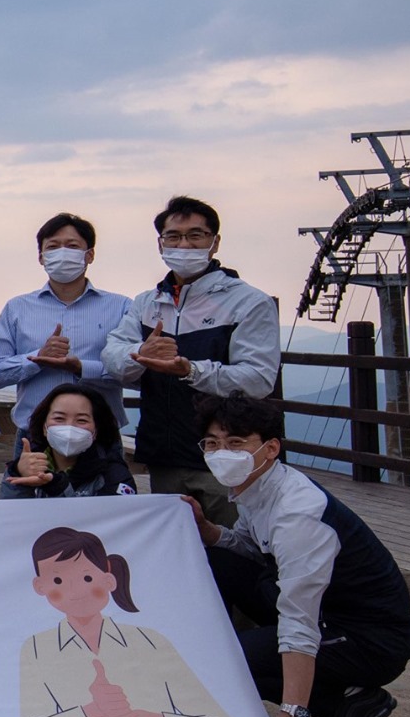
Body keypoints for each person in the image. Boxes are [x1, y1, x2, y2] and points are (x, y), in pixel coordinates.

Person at [187, 395, 410, 717]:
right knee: (216, 557)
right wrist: (209, 531)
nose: (221, 452)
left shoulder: (298, 514)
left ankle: (345, 702)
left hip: (369, 636)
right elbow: (248, 545)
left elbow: (299, 621)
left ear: (270, 448)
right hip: (326, 610)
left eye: (236, 443)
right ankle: (338, 693)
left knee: (235, 658)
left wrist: (293, 716)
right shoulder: (257, 489)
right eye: (212, 443)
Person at [103, 195, 280, 526]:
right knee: (176, 550)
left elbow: (258, 379)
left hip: (227, 457)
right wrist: (140, 355)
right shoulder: (147, 302)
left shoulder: (248, 302)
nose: (183, 244)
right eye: (174, 236)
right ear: (160, 244)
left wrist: (190, 370)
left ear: (214, 243)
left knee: (234, 551)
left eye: (195, 235)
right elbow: (113, 356)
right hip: (164, 454)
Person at [17, 526, 242, 717]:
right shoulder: (36, 649)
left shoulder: (149, 641)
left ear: (109, 579)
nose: (74, 591)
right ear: (39, 586)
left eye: (86, 577)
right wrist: (90, 710)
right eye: (58, 580)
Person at [0, 213, 130, 431]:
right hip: (35, 432)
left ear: (89, 255)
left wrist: (82, 368)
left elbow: (134, 373)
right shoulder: (17, 308)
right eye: (53, 247)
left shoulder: (121, 307)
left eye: (72, 246)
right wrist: (37, 359)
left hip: (100, 434)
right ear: (41, 257)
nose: (62, 253)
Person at [1, 384, 137, 499]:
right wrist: (17, 473)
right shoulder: (28, 464)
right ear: (44, 426)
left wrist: (57, 486)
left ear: (96, 430)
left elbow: (110, 522)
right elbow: (11, 516)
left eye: (82, 420)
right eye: (59, 419)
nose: (69, 427)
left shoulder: (114, 474)